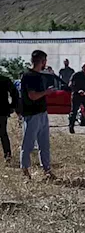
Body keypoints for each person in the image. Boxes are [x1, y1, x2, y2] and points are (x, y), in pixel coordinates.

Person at [19, 50, 54, 179]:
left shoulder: (39, 76)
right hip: (32, 114)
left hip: (42, 113)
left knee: (44, 144)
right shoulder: (29, 76)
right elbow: (32, 96)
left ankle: (47, 170)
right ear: (42, 61)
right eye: (45, 60)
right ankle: (25, 170)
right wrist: (46, 92)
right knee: (28, 143)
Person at [68, 62, 85, 134]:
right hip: (77, 95)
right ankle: (71, 127)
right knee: (74, 111)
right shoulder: (76, 75)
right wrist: (78, 90)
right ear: (82, 67)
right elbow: (70, 85)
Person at [0, 72, 19, 164]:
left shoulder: (4, 80)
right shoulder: (4, 79)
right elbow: (15, 93)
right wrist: (12, 106)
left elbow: (14, 93)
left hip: (2, 110)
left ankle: (7, 155)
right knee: (3, 133)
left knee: (3, 133)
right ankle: (7, 155)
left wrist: (12, 106)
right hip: (3, 110)